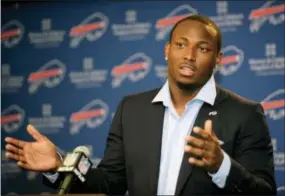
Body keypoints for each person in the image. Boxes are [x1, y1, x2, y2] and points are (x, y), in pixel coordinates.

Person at [5, 14, 277, 196]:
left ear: (218, 58)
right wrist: (59, 165)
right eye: (181, 44)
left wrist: (222, 166)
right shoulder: (131, 109)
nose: (190, 56)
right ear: (167, 50)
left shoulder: (246, 114)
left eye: (203, 48)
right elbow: (110, 183)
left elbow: (264, 192)